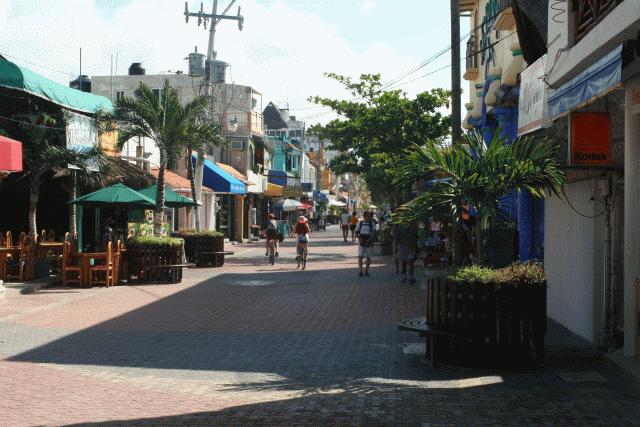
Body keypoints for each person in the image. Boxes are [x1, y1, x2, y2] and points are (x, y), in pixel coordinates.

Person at [355, 211, 375, 277]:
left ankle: (366, 271)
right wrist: (359, 238)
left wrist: (370, 240)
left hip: (369, 241)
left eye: (370, 216)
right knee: (360, 256)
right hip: (361, 241)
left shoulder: (372, 223)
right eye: (368, 215)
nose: (369, 217)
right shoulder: (360, 223)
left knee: (369, 257)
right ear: (364, 216)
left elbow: (374, 233)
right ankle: (360, 271)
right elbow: (356, 232)